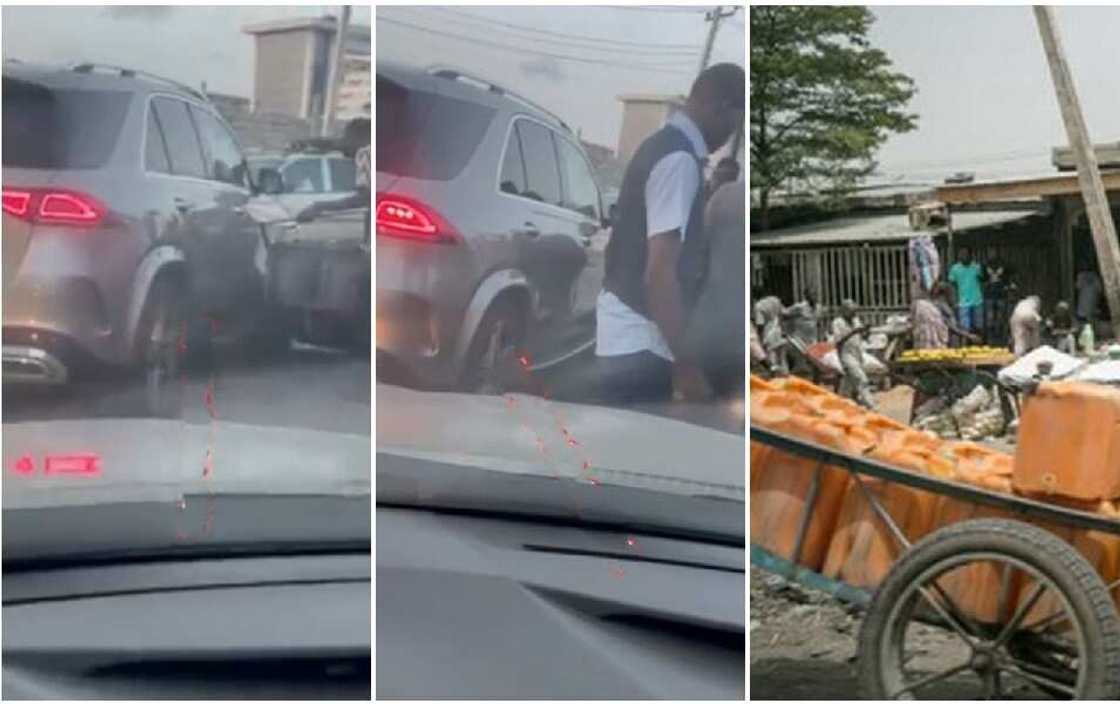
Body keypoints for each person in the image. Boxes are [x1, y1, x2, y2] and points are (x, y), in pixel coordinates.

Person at [596, 63, 744, 405]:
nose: (729, 135)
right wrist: (686, 365)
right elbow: (659, 273)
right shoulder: (679, 161)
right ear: (722, 107)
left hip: (626, 333)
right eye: (734, 122)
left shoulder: (661, 146)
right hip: (642, 342)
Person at [831, 299, 874, 408]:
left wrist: (866, 331)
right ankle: (871, 406)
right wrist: (853, 332)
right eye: (852, 311)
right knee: (861, 379)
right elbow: (838, 341)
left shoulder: (855, 320)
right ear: (844, 311)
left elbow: (862, 336)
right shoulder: (837, 322)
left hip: (857, 353)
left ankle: (839, 404)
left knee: (848, 383)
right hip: (846, 355)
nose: (854, 313)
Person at [948, 247, 984, 340]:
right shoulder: (955, 269)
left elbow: (982, 281)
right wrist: (954, 299)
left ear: (970, 256)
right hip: (963, 302)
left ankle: (979, 344)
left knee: (978, 326)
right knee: (964, 328)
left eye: (965, 254)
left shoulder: (976, 267)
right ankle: (965, 345)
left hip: (977, 300)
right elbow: (952, 284)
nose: (963, 256)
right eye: (961, 254)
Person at [754, 295, 789, 376]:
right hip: (779, 333)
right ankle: (786, 377)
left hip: (768, 335)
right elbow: (784, 314)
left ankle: (776, 378)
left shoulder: (759, 305)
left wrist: (759, 339)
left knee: (772, 361)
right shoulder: (775, 300)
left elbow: (760, 324)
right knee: (783, 360)